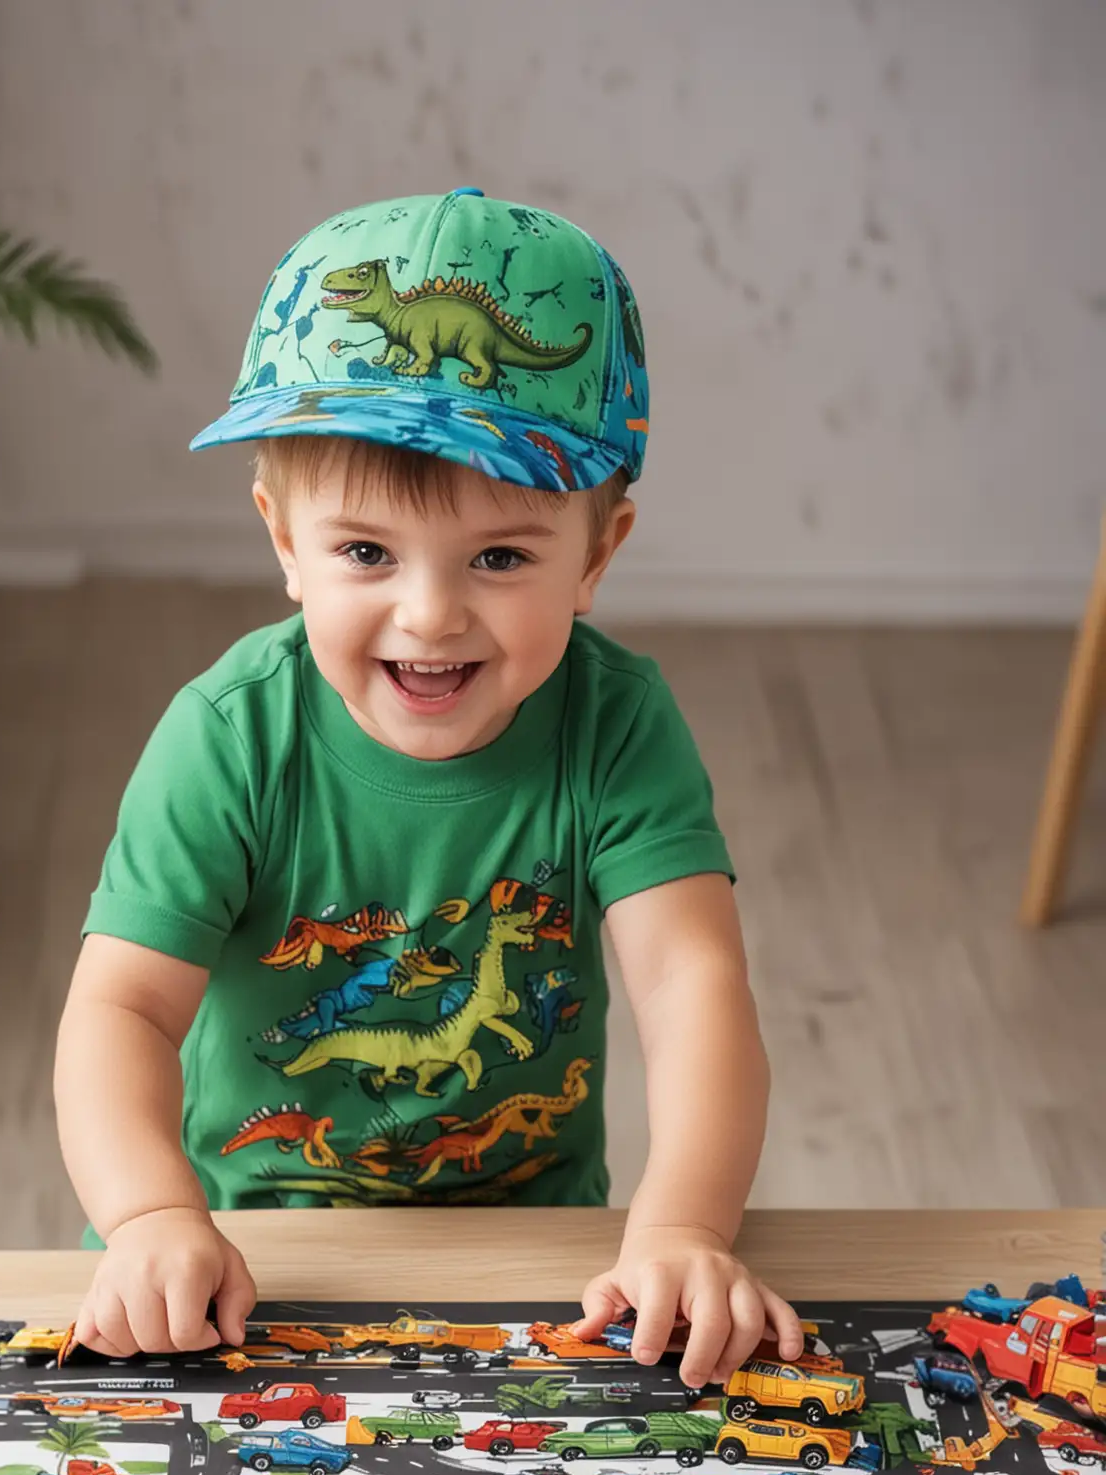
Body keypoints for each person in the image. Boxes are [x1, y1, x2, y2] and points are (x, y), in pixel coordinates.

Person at [54, 188, 804, 1387]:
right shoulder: (229, 736)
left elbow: (692, 982)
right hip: (241, 1246)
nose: (430, 614)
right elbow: (119, 1012)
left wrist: (682, 1232)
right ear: (284, 543)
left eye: (500, 557)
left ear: (598, 556)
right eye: (365, 552)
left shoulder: (616, 722)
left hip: (542, 1248)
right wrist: (149, 1217)